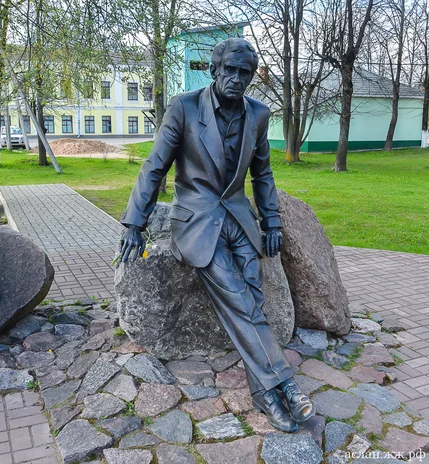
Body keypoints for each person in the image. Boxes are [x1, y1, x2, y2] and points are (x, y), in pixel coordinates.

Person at [118, 37, 314, 432]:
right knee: (241, 301)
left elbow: (263, 174)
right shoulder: (185, 108)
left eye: (245, 73)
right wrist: (134, 223)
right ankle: (286, 386)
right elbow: (154, 167)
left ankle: (265, 395)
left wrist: (272, 222)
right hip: (197, 222)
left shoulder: (257, 114)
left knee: (253, 303)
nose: (237, 79)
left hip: (239, 220)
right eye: (231, 71)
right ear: (214, 70)